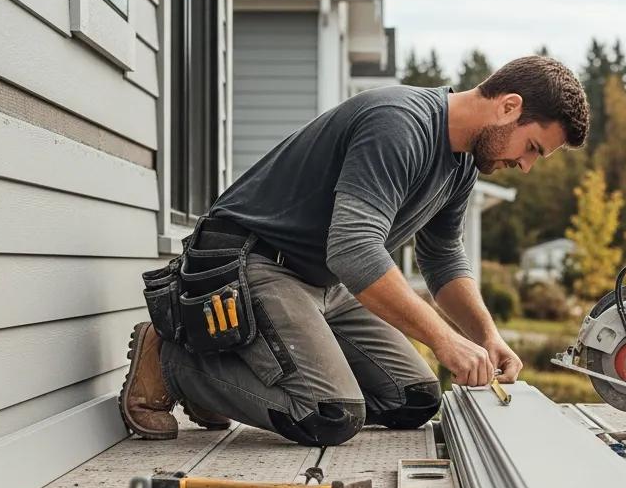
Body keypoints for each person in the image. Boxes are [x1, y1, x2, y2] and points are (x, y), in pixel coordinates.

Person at [119, 55, 589, 447]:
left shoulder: (462, 163)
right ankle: (174, 361)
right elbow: (355, 251)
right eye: (532, 148)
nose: (525, 166)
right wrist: (444, 340)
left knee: (415, 400)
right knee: (330, 413)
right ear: (509, 106)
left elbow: (444, 258)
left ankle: (228, 372)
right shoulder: (400, 123)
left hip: (320, 280)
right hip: (250, 260)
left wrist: (487, 336)